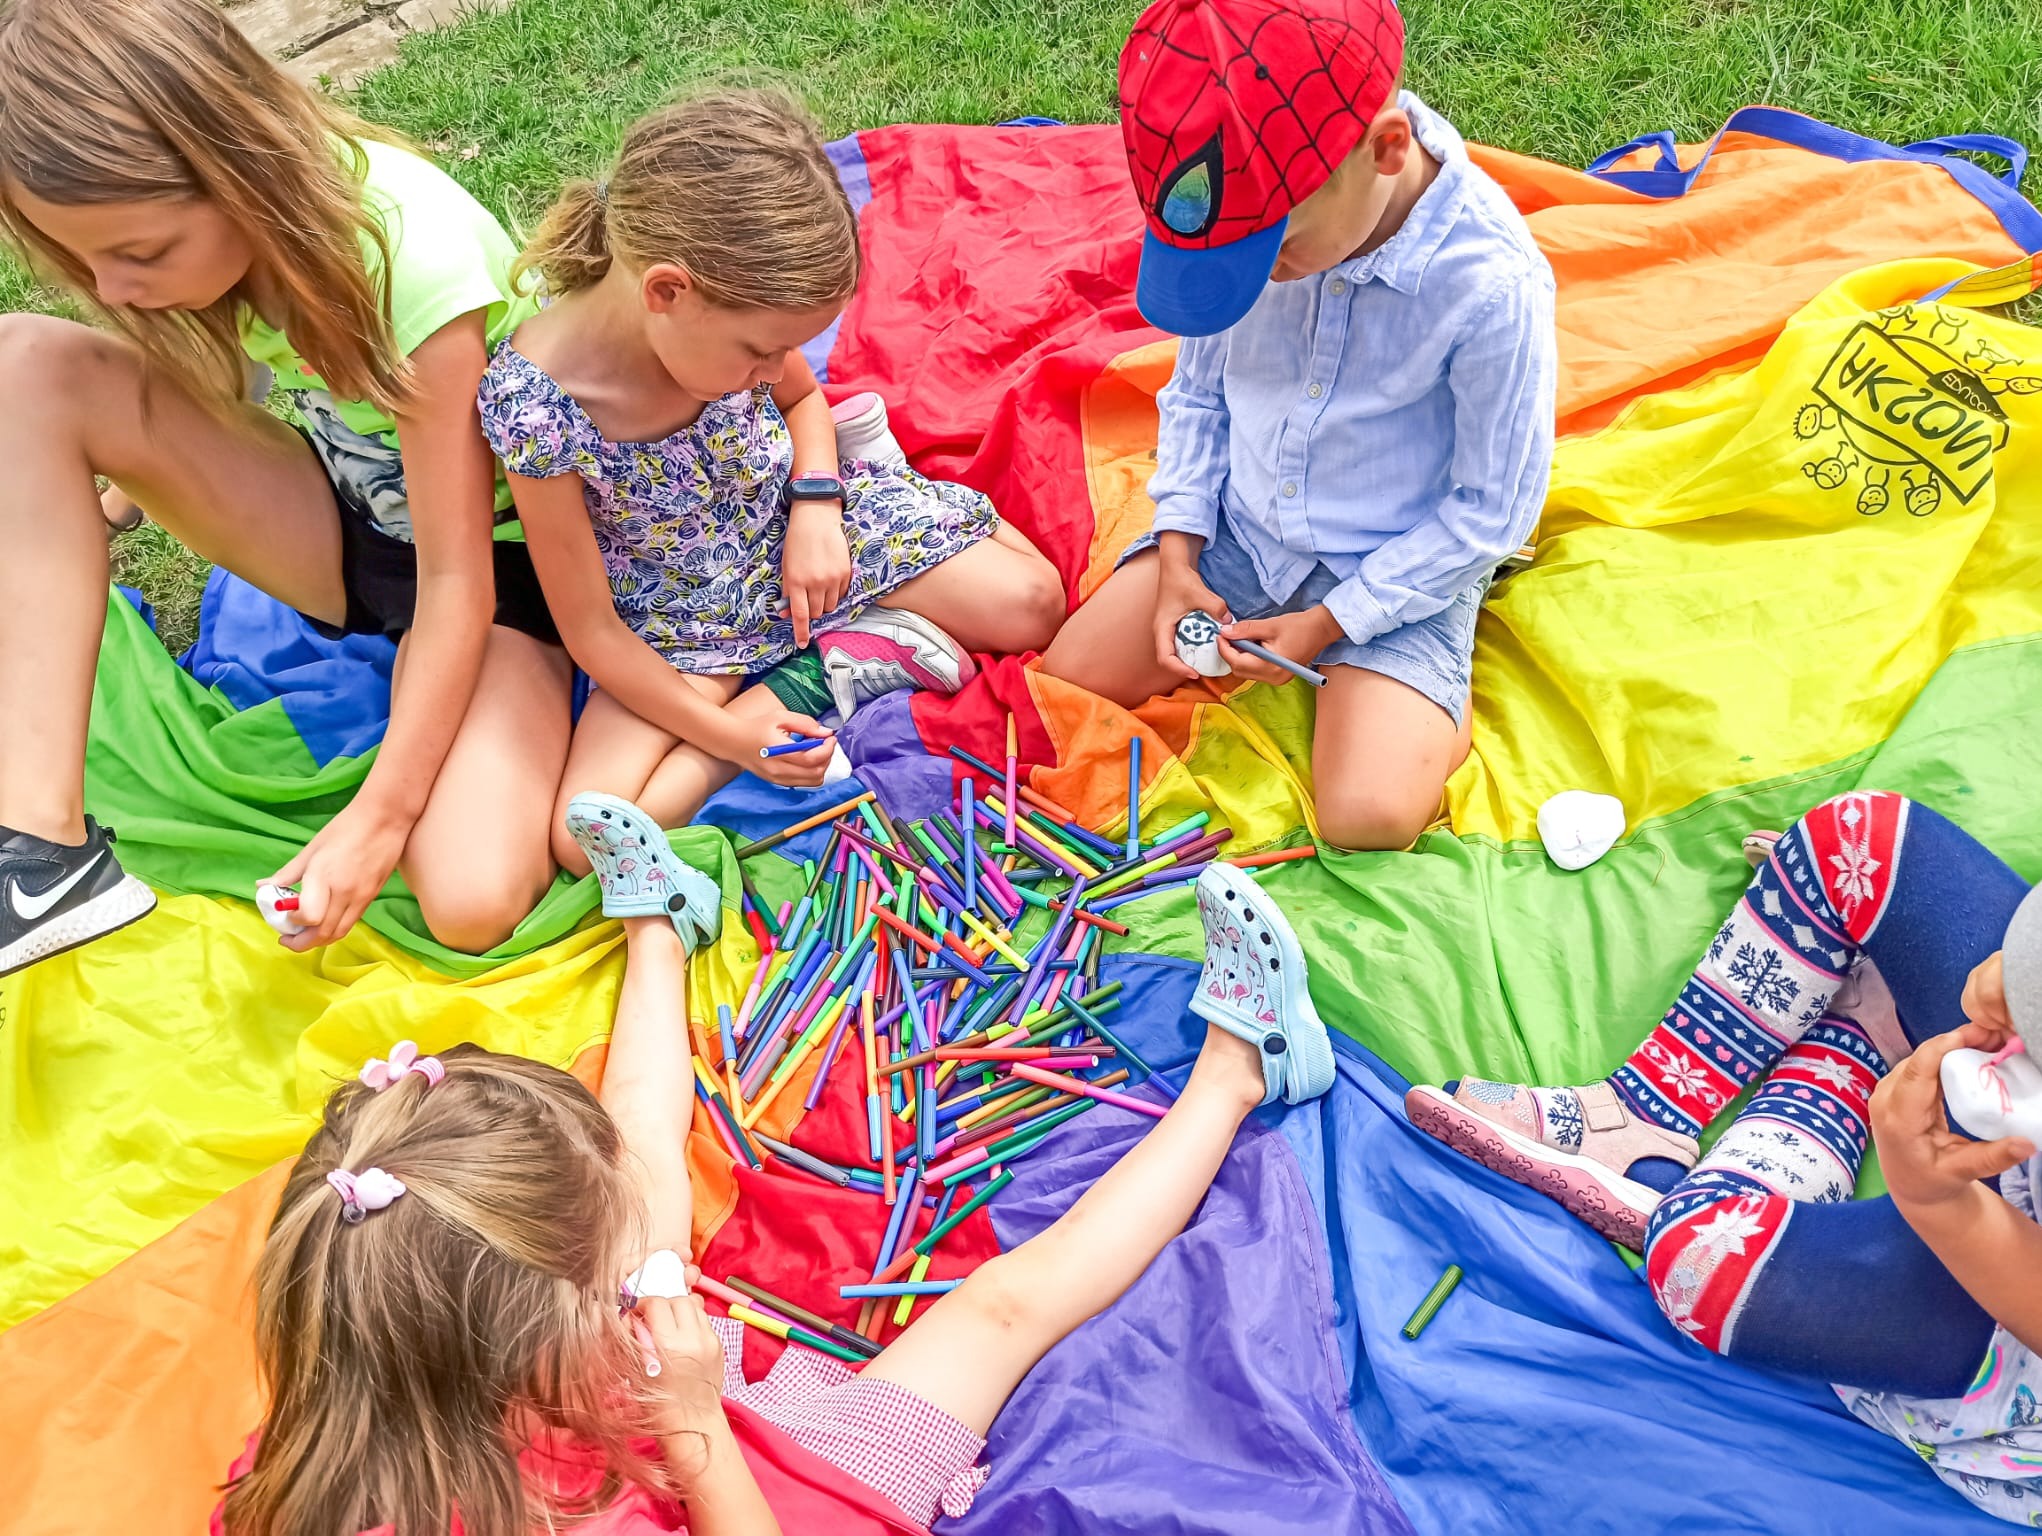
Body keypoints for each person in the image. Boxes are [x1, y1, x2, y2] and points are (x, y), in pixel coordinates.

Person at [212, 791, 1335, 1535]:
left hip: (618, 1415)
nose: (639, 1270)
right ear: (534, 1335)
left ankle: (656, 923)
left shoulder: (351, 1407)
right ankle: (1238, 1070)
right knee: (1000, 1307)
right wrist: (697, 1431)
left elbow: (609, 1188)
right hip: (772, 1494)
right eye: (600, 1279)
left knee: (643, 1161)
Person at [0, 0, 573, 973]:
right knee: (25, 365)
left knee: (471, 898)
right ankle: (43, 858)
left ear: (243, 174)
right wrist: (118, 493)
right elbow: (244, 387)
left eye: (138, 254)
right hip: (347, 526)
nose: (114, 290)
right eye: (89, 259)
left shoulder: (410, 262)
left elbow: (455, 583)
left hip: (509, 572)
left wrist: (377, 817)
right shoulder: (225, 249)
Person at [475, 89, 1067, 879]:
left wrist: (817, 505)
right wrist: (735, 740)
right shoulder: (536, 407)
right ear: (666, 292)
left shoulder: (723, 332)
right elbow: (593, 634)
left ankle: (851, 617)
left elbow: (800, 398)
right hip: (680, 611)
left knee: (1034, 601)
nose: (771, 367)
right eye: (761, 349)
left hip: (794, 520)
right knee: (592, 838)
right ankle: (819, 668)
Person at [1408, 790, 2042, 1523]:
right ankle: (1646, 1109)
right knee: (1855, 845)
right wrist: (2016, 974)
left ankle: (1851, 1048)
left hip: (2006, 1316)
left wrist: (1933, 1198)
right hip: (2018, 1107)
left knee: (1701, 1257)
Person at [1040, 0, 1556, 852]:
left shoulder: (1492, 286)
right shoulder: (1267, 218)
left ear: (1386, 150)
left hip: (1393, 565)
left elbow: (1490, 511)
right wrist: (1178, 558)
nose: (1259, 277)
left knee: (1369, 814)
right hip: (1246, 531)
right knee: (1073, 677)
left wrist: (1335, 621)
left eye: (1275, 251)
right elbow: (1199, 395)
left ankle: (1429, 681)